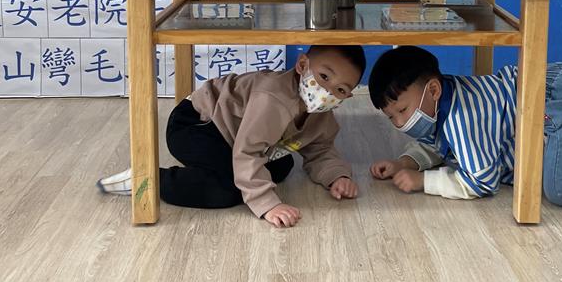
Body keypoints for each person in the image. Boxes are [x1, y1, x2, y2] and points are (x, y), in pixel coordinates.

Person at [367, 46, 562, 205]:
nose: (400, 123)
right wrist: (404, 163)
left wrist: (424, 181)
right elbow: (439, 143)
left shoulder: (463, 118)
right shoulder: (445, 98)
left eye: (403, 110)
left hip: (560, 95)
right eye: (391, 117)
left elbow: (481, 182)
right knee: (560, 149)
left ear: (433, 90)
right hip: (558, 86)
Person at [98, 45, 367, 228]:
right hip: (197, 123)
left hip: (235, 133)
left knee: (281, 165)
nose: (327, 91)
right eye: (323, 77)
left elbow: (320, 149)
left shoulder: (321, 116)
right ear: (302, 65)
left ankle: (216, 172)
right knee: (226, 191)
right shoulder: (272, 98)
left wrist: (337, 176)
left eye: (340, 89)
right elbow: (248, 151)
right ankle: (149, 179)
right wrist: (267, 204)